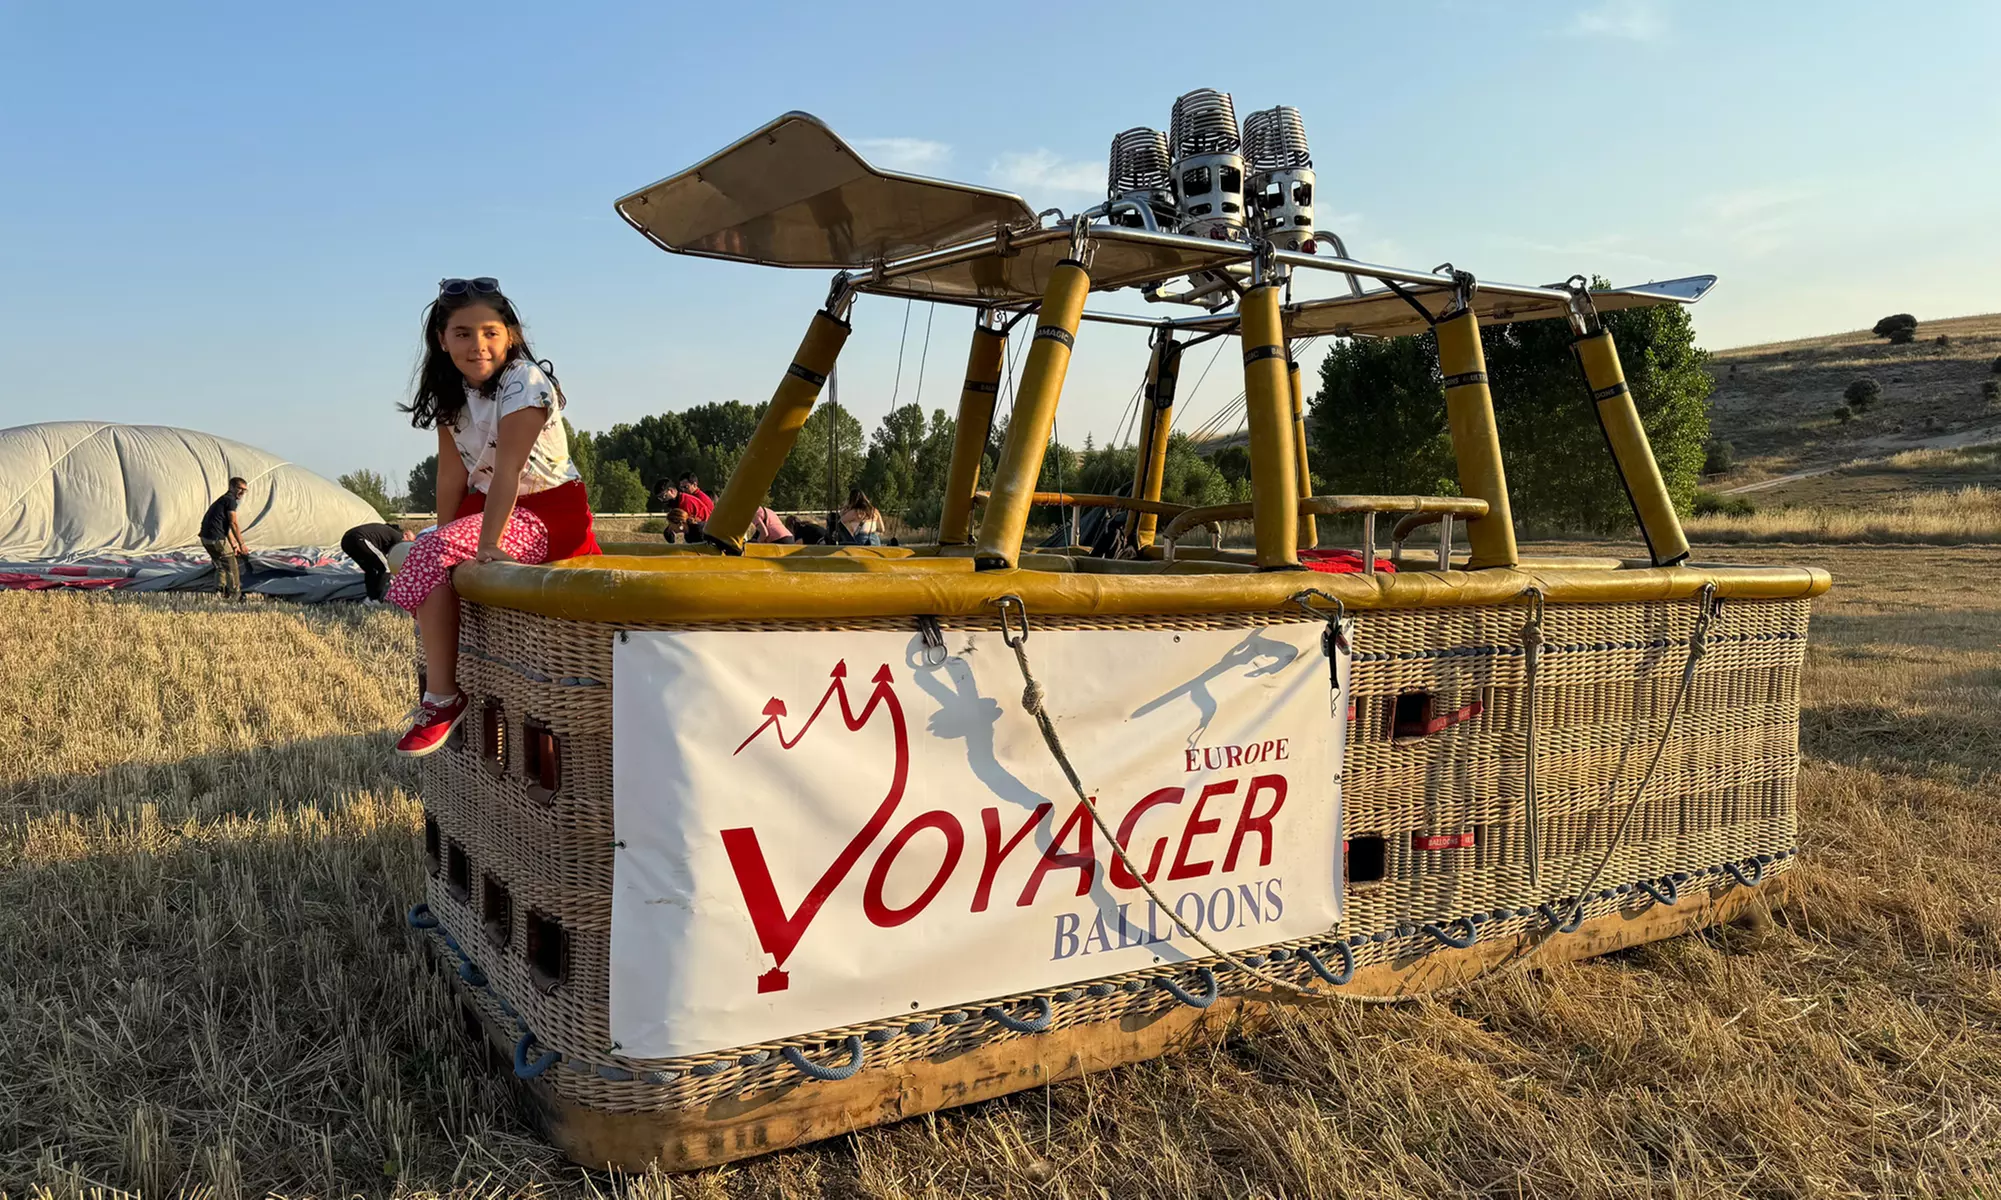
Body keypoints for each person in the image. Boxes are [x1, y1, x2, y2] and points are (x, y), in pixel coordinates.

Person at [386, 277, 602, 756]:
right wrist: (447, 532)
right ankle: (445, 684)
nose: (477, 344)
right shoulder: (452, 394)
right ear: (442, 341)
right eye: (462, 333)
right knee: (433, 552)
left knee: (428, 552)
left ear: (512, 335)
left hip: (546, 509)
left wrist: (485, 543)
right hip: (487, 506)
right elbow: (451, 475)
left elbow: (509, 470)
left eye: (489, 332)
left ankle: (442, 699)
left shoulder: (524, 382)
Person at [198, 477, 251, 600]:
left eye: (245, 490)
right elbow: (233, 523)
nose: (242, 492)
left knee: (220, 565)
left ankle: (219, 591)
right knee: (232, 565)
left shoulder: (222, 501)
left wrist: (234, 544)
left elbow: (224, 526)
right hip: (217, 539)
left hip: (206, 538)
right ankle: (235, 594)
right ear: (231, 487)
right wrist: (242, 544)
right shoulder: (231, 501)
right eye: (239, 488)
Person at [341, 520, 414, 602]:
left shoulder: (386, 535)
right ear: (405, 535)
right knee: (386, 567)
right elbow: (398, 559)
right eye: (409, 542)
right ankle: (376, 599)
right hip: (359, 539)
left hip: (346, 541)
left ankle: (370, 599)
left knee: (371, 570)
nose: (407, 546)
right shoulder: (398, 537)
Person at [675, 472, 714, 540]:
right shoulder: (690, 498)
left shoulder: (700, 499)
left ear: (695, 484)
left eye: (686, 487)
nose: (683, 490)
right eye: (681, 488)